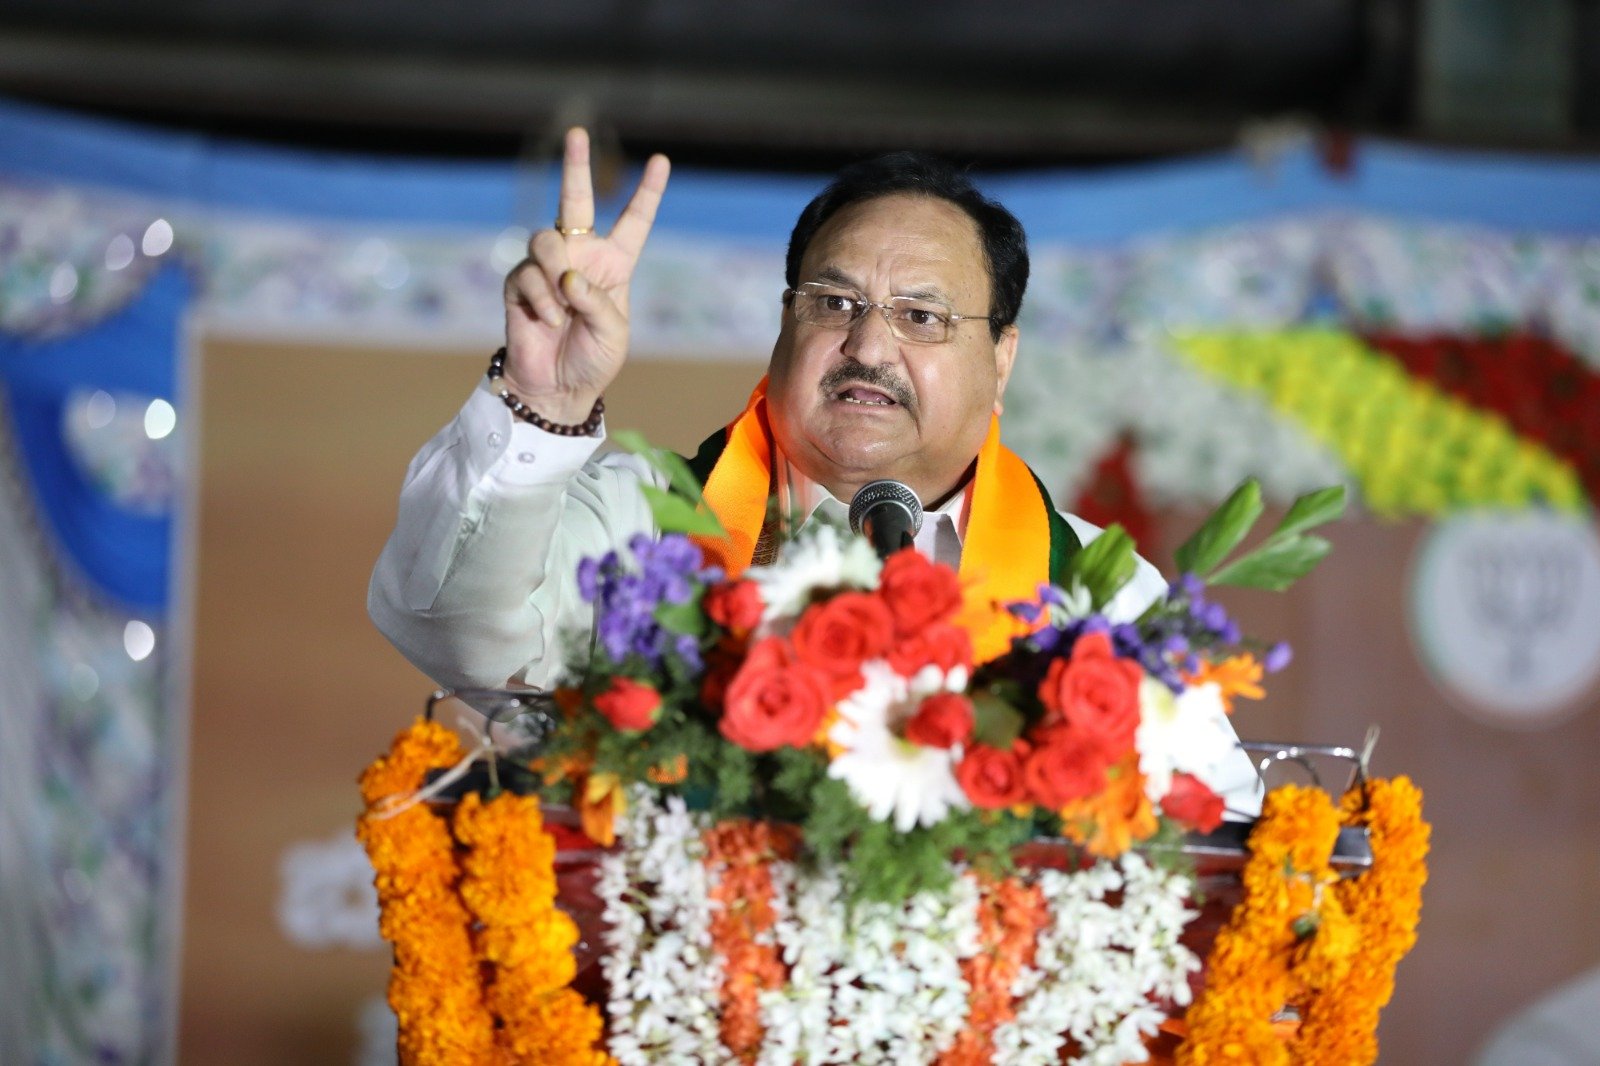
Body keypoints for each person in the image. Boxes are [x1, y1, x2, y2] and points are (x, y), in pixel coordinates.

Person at [367, 128, 1260, 815]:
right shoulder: (649, 523)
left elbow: (1219, 820)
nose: (869, 345)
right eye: (834, 303)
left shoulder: (1101, 596)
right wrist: (541, 396)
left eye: (922, 316)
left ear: (1003, 359)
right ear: (784, 325)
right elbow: (456, 630)